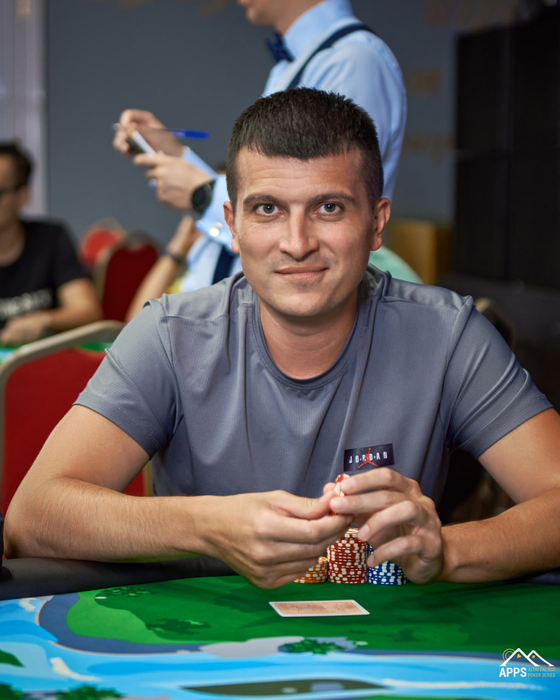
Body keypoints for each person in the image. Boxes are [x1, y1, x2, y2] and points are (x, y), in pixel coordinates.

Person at [5, 90, 560, 589]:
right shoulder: (170, 335)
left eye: (329, 207)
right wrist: (207, 525)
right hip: (202, 643)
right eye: (268, 209)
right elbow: (33, 517)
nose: (297, 243)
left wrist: (447, 553)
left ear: (376, 223)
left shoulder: (447, 333)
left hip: (390, 643)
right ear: (233, 224)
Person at [112, 0, 417, 292]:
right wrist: (179, 157)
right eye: (267, 208)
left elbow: (312, 202)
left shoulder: (354, 62)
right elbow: (275, 186)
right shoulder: (302, 62)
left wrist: (202, 194)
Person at [0, 142, 101, 344]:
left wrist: (44, 320)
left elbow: (87, 311)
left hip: (41, 358)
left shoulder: (50, 239)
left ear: (23, 195)